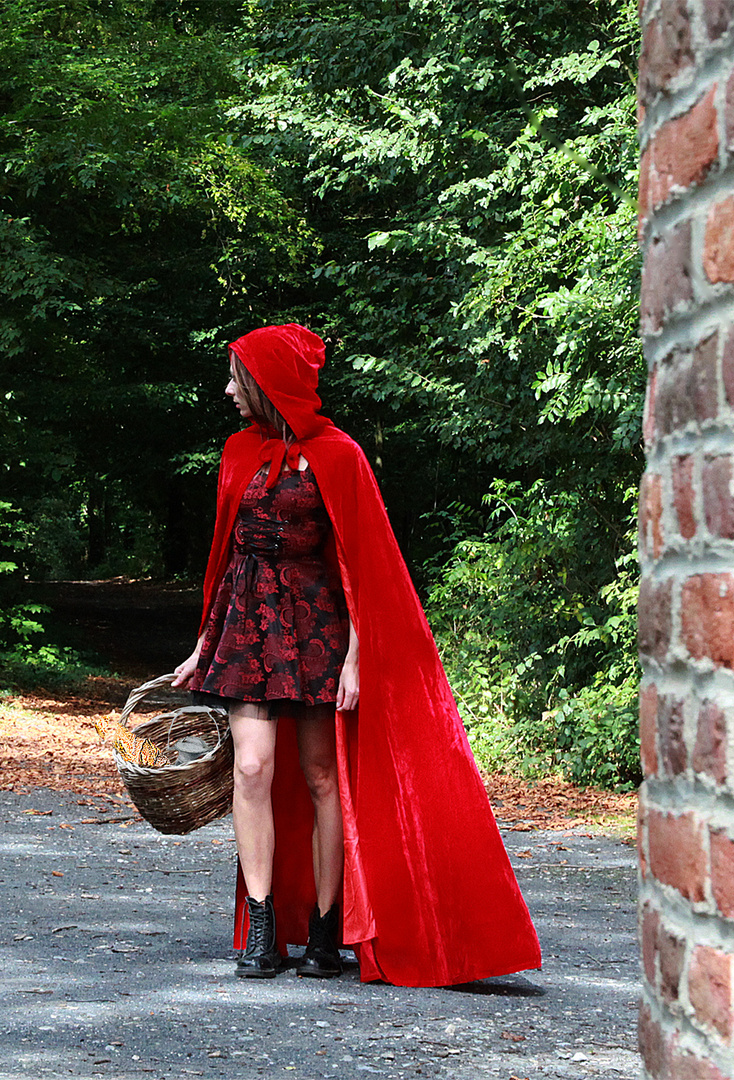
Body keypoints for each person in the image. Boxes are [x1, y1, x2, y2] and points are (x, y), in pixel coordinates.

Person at [171, 324, 541, 987]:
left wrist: (356, 659)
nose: (228, 390)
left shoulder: (340, 456)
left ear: (268, 384)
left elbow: (365, 565)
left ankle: (323, 928)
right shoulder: (236, 453)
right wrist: (203, 642)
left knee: (320, 777)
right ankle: (261, 930)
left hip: (318, 628)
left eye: (237, 378)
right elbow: (225, 553)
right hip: (248, 624)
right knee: (251, 769)